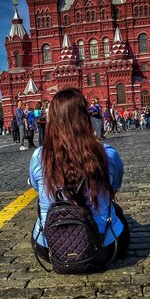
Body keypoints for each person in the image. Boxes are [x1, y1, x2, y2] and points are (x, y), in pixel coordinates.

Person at [29, 88, 130, 268]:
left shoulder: (40, 156)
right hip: (103, 249)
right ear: (85, 118)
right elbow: (115, 185)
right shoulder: (106, 154)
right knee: (117, 211)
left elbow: (38, 189)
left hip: (51, 249)